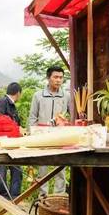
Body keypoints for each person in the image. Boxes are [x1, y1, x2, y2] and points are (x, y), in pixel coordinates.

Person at [28, 65, 70, 196]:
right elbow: (32, 117)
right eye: (55, 77)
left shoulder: (66, 96)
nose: (58, 80)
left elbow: (72, 115)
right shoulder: (38, 95)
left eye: (61, 77)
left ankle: (59, 196)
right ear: (48, 78)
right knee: (43, 168)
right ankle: (42, 197)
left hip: (60, 136)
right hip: (42, 136)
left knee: (60, 168)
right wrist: (32, 136)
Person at [0, 82, 23, 199]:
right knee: (2, 168)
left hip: (12, 142)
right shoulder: (2, 102)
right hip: (3, 142)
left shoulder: (11, 104)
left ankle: (14, 195)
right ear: (18, 93)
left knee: (17, 167)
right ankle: (2, 195)